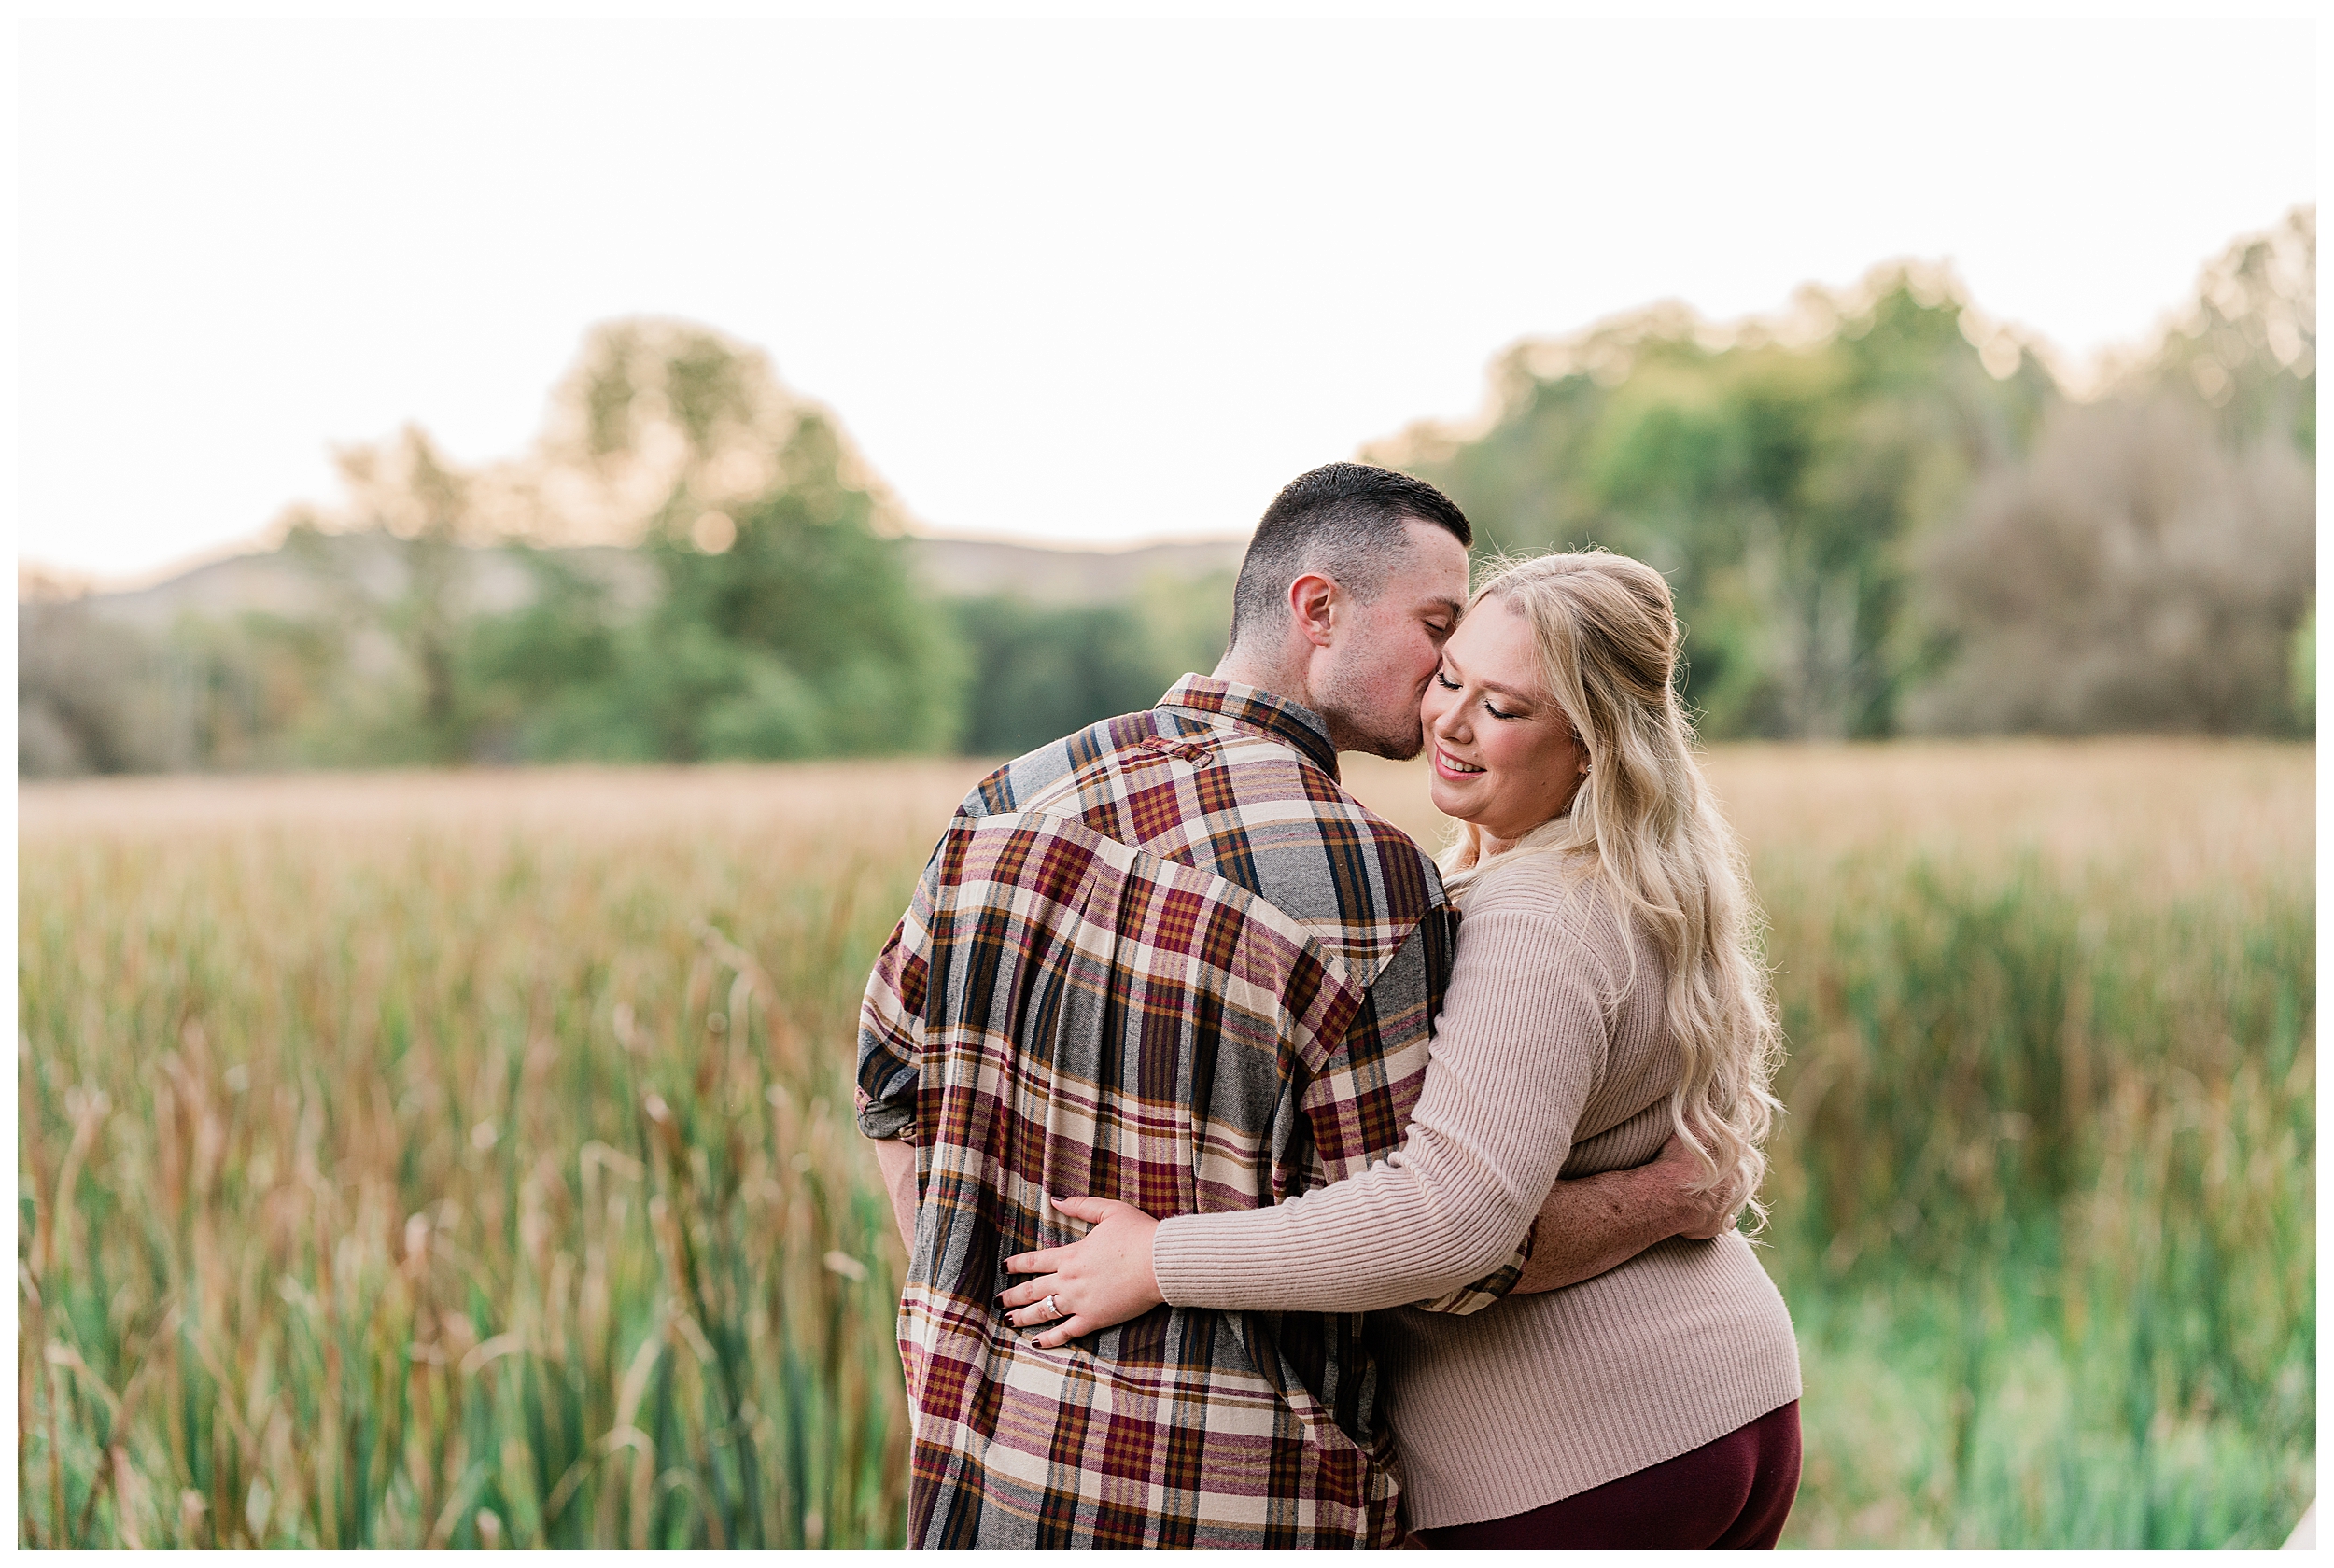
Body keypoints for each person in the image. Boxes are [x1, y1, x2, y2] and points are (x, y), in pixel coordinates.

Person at [855, 466, 1733, 1548]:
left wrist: (995, 1318)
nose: (1439, 682)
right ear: (1317, 609)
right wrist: (1665, 1196)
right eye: (1434, 630)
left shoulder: (1006, 802)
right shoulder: (1371, 886)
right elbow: (1449, 1251)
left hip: (996, 1471)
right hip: (1239, 1495)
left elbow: (889, 1092)